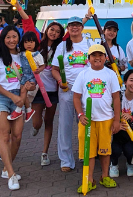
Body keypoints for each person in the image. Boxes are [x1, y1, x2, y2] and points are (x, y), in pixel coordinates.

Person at [72, 44, 121, 192]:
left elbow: (116, 98)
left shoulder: (110, 74)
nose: (97, 58)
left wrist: (117, 120)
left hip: (106, 119)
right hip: (87, 121)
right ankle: (89, 179)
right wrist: (80, 114)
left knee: (105, 150)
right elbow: (76, 97)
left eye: (100, 55)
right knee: (89, 151)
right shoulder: (83, 75)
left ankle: (105, 176)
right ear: (88, 59)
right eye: (94, 55)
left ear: (105, 58)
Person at [51, 16, 93, 172]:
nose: (74, 28)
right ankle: (66, 160)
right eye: (71, 26)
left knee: (86, 123)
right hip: (67, 90)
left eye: (77, 25)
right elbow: (55, 69)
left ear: (81, 27)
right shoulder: (62, 46)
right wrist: (60, 82)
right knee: (65, 125)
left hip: (86, 91)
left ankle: (86, 154)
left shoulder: (89, 44)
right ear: (68, 29)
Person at [22, 12, 63, 167]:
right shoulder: (37, 44)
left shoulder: (61, 47)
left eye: (58, 32)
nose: (54, 33)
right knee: (37, 121)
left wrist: (85, 19)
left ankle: (44, 153)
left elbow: (74, 33)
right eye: (52, 30)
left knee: (49, 121)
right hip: (37, 90)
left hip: (53, 91)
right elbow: (28, 25)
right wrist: (19, 8)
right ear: (46, 30)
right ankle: (35, 127)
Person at [0, 25, 24, 191]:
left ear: (18, 38)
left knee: (17, 136)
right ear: (3, 39)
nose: (11, 40)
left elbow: (28, 77)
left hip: (19, 97)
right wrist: (12, 97)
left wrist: (23, 94)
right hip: (0, 97)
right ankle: (11, 174)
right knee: (5, 136)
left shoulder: (23, 57)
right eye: (8, 37)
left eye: (14, 36)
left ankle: (5, 168)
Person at [110, 69, 133, 178]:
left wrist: (131, 117)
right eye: (131, 80)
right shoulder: (117, 96)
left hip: (131, 134)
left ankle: (130, 163)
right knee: (115, 150)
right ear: (125, 82)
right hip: (116, 132)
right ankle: (114, 164)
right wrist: (117, 123)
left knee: (130, 151)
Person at [8, 32, 43, 122]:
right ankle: (29, 110)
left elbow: (43, 65)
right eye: (26, 42)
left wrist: (39, 70)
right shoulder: (21, 53)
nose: (29, 44)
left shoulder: (37, 55)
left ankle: (18, 109)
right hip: (24, 76)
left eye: (31, 42)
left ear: (35, 42)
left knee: (23, 91)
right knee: (23, 93)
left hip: (32, 77)